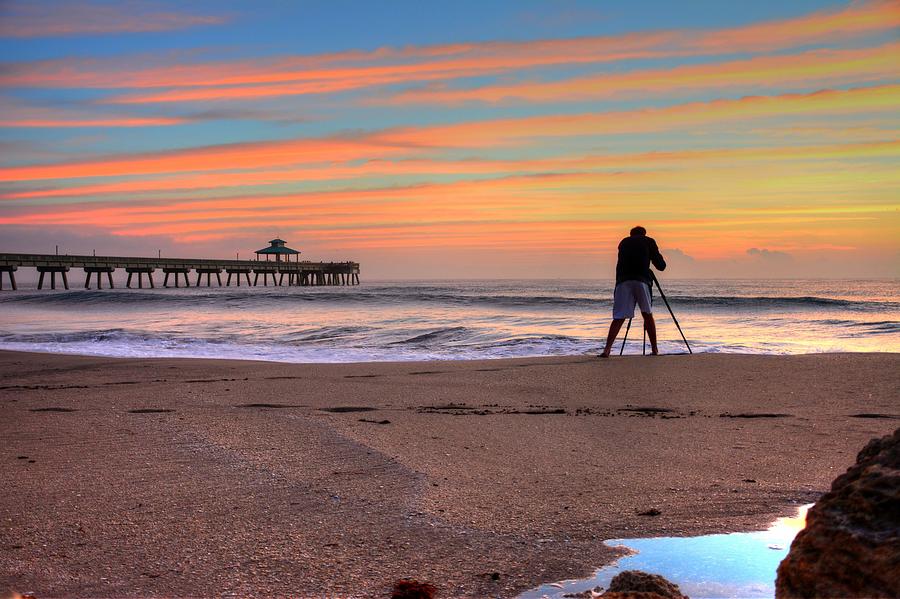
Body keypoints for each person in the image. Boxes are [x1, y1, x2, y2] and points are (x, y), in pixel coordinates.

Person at [600, 226, 666, 357]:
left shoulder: (623, 242)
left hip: (623, 281)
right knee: (647, 314)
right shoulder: (648, 241)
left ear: (631, 234)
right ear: (644, 234)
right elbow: (661, 266)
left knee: (619, 317)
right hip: (641, 280)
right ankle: (654, 349)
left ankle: (607, 350)